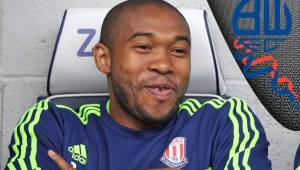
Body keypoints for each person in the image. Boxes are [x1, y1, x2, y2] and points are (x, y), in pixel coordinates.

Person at [5, 0, 271, 169]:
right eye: (144, 47)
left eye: (179, 51)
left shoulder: (225, 119)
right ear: (103, 58)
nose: (164, 64)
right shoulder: (53, 122)